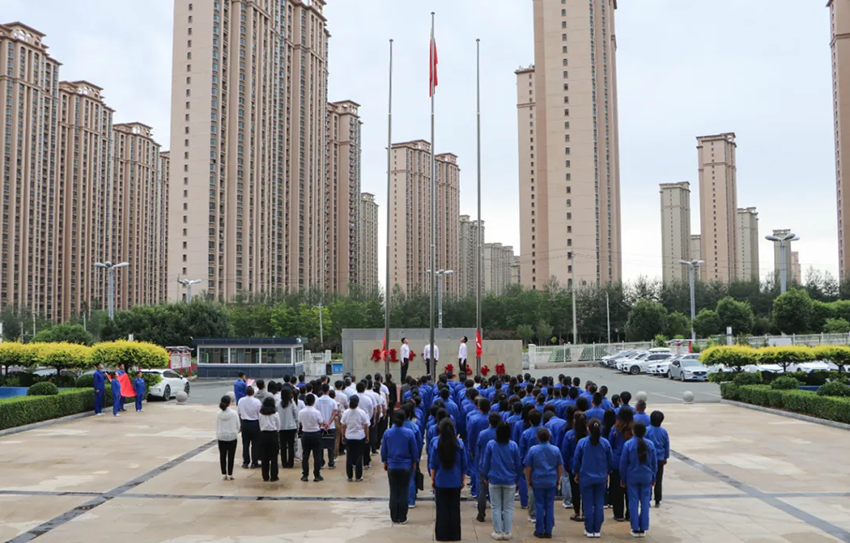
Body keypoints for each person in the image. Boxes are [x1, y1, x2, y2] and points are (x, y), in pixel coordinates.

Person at [573, 418, 613, 538]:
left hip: (586, 478)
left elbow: (577, 460)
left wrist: (576, 473)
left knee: (588, 504)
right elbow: (610, 461)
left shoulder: (582, 443)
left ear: (588, 429)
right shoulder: (605, 443)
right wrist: (607, 472)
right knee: (599, 503)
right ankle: (597, 529)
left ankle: (589, 529)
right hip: (601, 477)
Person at [482, 421, 523, 541]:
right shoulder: (513, 446)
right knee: (508, 507)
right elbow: (518, 464)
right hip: (510, 480)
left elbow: (486, 462)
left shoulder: (491, 445)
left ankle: (498, 531)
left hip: (494, 479)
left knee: (496, 506)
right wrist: (518, 478)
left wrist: (485, 476)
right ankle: (507, 531)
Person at [429, 419, 466, 542]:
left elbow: (433, 464)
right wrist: (463, 479)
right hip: (455, 480)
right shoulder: (459, 444)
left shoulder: (436, 443)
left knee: (442, 508)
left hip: (441, 480)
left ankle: (442, 534)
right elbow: (464, 464)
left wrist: (432, 479)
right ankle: (454, 534)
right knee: (454, 508)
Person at [524, 427, 563, 539]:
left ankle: (539, 530)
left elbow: (528, 467)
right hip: (551, 480)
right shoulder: (555, 450)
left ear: (537, 437)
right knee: (550, 505)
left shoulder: (533, 450)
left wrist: (528, 480)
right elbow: (560, 466)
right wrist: (558, 479)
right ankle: (549, 530)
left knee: (539, 505)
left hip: (537, 480)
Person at [381, 409, 419, 524]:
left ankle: (394, 516)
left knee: (393, 491)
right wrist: (414, 462)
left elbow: (384, 449)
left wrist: (385, 461)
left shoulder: (387, 433)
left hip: (392, 465)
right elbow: (414, 450)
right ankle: (402, 516)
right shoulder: (409, 433)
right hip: (405, 466)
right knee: (403, 491)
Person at [620, 422, 657, 537]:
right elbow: (654, 463)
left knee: (633, 502)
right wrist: (653, 477)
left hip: (632, 477)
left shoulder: (628, 444)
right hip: (646, 476)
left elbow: (623, 463)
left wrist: (623, 478)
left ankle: (635, 528)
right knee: (645, 503)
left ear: (633, 431)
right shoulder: (650, 444)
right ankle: (644, 528)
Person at [609, 408, 635, 522]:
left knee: (617, 490)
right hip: (631, 462)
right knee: (630, 490)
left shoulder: (615, 429)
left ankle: (618, 514)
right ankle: (630, 514)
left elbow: (610, 445)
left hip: (617, 462)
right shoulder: (634, 430)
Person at [475, 412, 501, 524]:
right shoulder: (502, 434)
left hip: (484, 464)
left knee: (482, 490)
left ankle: (481, 513)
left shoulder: (483, 434)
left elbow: (478, 447)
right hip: (498, 465)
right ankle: (500, 513)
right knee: (499, 490)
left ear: (489, 422)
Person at [341, 395, 370, 482]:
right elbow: (366, 425)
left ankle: (349, 476)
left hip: (349, 436)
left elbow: (343, 426)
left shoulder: (346, 412)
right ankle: (358, 476)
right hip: (359, 436)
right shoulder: (362, 412)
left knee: (349, 456)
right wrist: (367, 436)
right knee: (359, 456)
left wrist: (343, 436)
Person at [298, 393, 326, 482]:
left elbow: (300, 422)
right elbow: (321, 422)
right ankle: (317, 475)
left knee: (305, 455)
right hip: (315, 434)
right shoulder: (317, 412)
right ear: (314, 401)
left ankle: (305, 475)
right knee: (317, 455)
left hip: (305, 433)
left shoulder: (301, 412)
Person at [645, 411, 669, 508]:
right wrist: (665, 457)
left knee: (648, 479)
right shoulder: (664, 432)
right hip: (659, 458)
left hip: (648, 458)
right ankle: (658, 499)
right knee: (659, 480)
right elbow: (666, 445)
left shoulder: (646, 430)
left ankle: (647, 498)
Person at [315, 384, 340, 469]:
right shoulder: (332, 401)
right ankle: (331, 462)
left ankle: (321, 463)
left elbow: (317, 413)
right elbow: (334, 414)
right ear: (328, 391)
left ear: (321, 390)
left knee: (320, 446)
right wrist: (328, 423)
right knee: (330, 445)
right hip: (330, 426)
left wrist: (323, 423)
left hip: (320, 426)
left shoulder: (317, 401)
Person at [216, 395, 240, 481]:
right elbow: (238, 425)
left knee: (222, 455)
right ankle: (230, 473)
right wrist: (235, 431)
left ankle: (223, 473)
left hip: (221, 436)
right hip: (232, 436)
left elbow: (217, 425)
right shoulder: (234, 413)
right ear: (230, 403)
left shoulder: (218, 414)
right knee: (231, 456)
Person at [237, 386, 262, 469]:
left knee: (245, 444)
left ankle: (245, 462)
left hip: (245, 423)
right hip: (255, 423)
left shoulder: (241, 401)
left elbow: (239, 413)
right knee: (255, 444)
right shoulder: (257, 401)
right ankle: (254, 462)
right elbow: (260, 414)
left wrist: (241, 424)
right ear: (253, 393)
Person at [259, 397, 281, 482]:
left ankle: (265, 476)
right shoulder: (275, 414)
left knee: (264, 457)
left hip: (263, 434)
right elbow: (278, 426)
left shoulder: (261, 414)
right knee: (274, 457)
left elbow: (260, 424)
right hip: (273, 435)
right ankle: (274, 476)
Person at [278, 387, 299, 469]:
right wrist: (297, 426)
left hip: (281, 427)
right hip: (291, 427)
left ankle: (284, 463)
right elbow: (296, 415)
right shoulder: (292, 403)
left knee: (283, 446)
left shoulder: (278, 404)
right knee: (291, 446)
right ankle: (290, 463)